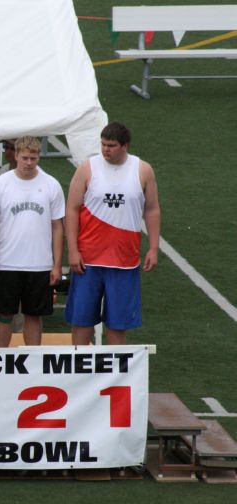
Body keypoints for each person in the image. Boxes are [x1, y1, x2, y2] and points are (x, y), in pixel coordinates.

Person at [65, 122, 160, 345]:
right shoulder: (88, 168)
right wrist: (73, 250)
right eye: (103, 144)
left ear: (125, 146)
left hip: (124, 260)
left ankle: (114, 374)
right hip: (88, 259)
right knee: (82, 320)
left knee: (118, 323)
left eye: (111, 145)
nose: (106, 149)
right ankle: (80, 371)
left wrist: (154, 248)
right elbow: (72, 208)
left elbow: (152, 208)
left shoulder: (142, 170)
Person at [0, 136, 65, 347]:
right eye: (25, 158)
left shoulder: (51, 185)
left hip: (39, 264)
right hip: (6, 262)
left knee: (33, 315)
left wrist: (56, 265)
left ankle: (33, 360)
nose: (29, 162)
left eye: (33, 158)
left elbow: (58, 227)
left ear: (39, 156)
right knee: (4, 315)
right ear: (16, 155)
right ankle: (0, 358)